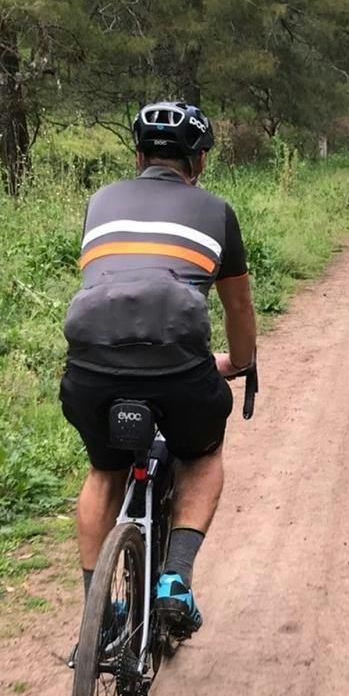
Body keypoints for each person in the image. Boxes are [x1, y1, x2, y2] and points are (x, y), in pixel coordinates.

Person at [59, 101, 256, 640]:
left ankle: (97, 611)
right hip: (176, 360)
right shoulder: (216, 211)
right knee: (203, 454)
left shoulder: (100, 202)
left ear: (139, 156)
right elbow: (238, 307)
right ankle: (175, 579)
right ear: (200, 162)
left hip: (91, 359)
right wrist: (240, 363)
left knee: (104, 471)